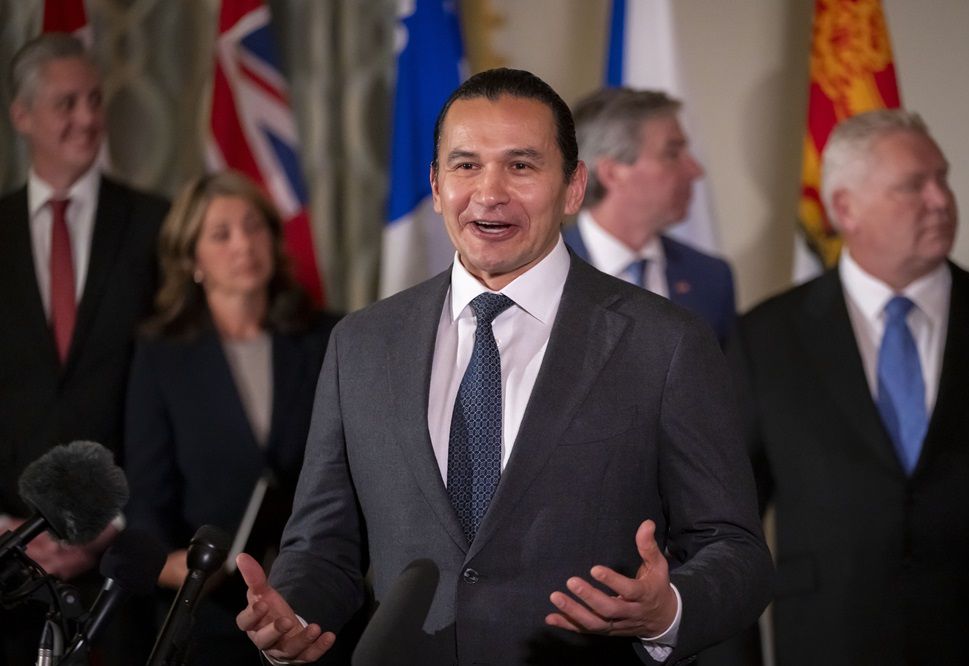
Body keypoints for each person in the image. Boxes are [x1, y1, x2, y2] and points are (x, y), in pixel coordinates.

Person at [235, 68, 770, 665]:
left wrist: (665, 610)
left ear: (573, 187)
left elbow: (735, 550)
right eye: (466, 165)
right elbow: (323, 545)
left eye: (520, 165)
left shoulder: (664, 343)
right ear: (436, 185)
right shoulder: (361, 344)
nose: (489, 192)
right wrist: (293, 616)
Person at [729, 109, 969, 664]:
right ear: (845, 208)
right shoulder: (767, 336)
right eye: (913, 185)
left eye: (942, 178)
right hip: (829, 639)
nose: (940, 200)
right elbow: (726, 525)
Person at [123, 171, 337, 665]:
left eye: (253, 226)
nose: (244, 244)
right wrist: (170, 566)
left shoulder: (328, 338)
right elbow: (147, 491)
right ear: (191, 259)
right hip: (208, 615)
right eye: (221, 234)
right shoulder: (162, 355)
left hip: (311, 605)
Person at [0, 33, 167, 664]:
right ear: (22, 116)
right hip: (7, 569)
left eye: (95, 100)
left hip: (123, 570)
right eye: (66, 103)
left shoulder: (156, 225)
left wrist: (113, 526)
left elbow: (171, 393)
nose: (88, 118)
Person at [562, 87, 735, 345]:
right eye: (672, 153)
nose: (695, 170)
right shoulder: (539, 268)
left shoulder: (710, 277)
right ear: (612, 173)